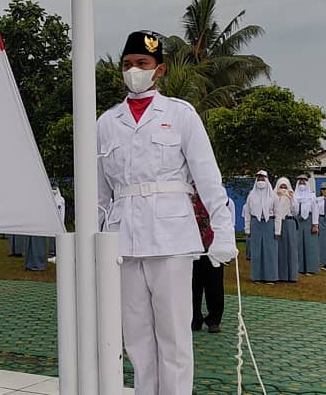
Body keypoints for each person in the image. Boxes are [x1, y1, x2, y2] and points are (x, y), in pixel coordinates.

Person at [97, 31, 236, 395]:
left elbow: (207, 178)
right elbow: (99, 194)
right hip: (123, 237)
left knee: (173, 334)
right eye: (127, 65)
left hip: (171, 235)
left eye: (142, 64)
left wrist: (222, 233)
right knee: (136, 334)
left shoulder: (180, 114)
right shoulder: (106, 122)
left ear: (159, 70)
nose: (134, 71)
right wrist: (92, 242)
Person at [190, 189, 224, 333]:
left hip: (213, 247)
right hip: (191, 247)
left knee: (215, 286)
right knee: (192, 286)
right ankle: (194, 319)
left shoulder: (217, 197)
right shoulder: (187, 198)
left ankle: (214, 320)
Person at [244, 170, 279, 284]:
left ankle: (270, 277)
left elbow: (278, 213)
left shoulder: (273, 195)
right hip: (256, 223)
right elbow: (247, 213)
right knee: (256, 250)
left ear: (267, 179)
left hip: (269, 223)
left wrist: (277, 230)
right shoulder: (251, 195)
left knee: (270, 250)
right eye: (258, 178)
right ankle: (257, 276)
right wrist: (247, 228)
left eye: (262, 178)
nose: (260, 180)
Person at [293, 175, 321, 275]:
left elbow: (315, 210)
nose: (302, 184)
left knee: (310, 245)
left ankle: (310, 268)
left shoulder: (312, 196)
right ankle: (298, 268)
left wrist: (315, 224)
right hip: (297, 221)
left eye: (304, 182)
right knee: (298, 245)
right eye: (300, 182)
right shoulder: (294, 196)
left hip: (309, 221)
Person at [274, 177, 299, 283]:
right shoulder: (274, 196)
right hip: (278, 222)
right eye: (281, 186)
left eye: (285, 186)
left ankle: (291, 275)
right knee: (280, 249)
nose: (283, 189)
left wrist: (291, 198)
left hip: (289, 222)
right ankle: (280, 274)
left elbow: (296, 211)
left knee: (291, 248)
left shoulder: (292, 196)